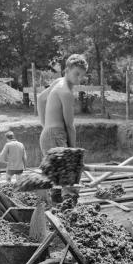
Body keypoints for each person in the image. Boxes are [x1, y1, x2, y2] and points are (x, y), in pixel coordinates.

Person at [38, 54, 88, 201]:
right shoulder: (66, 93)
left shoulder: (58, 82)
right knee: (70, 179)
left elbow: (40, 98)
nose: (79, 79)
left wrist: (45, 125)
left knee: (57, 182)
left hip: (47, 136)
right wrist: (74, 154)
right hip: (56, 135)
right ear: (67, 70)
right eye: (76, 74)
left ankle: (56, 212)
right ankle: (68, 213)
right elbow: (69, 126)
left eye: (82, 76)